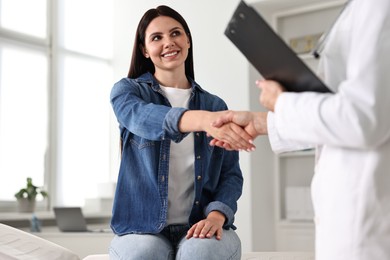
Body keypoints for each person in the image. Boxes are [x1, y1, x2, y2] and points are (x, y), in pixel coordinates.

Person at [211, 0, 390, 259]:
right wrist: (264, 122)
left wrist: (283, 102)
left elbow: (363, 117)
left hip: (367, 223)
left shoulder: (378, 7)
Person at [109, 5, 248, 260]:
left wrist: (217, 216)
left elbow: (231, 176)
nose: (168, 42)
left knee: (200, 251)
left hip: (200, 223)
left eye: (175, 33)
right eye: (156, 38)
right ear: (145, 50)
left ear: (187, 40)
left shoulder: (215, 106)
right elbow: (143, 119)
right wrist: (203, 121)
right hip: (141, 229)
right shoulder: (127, 92)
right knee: (143, 253)